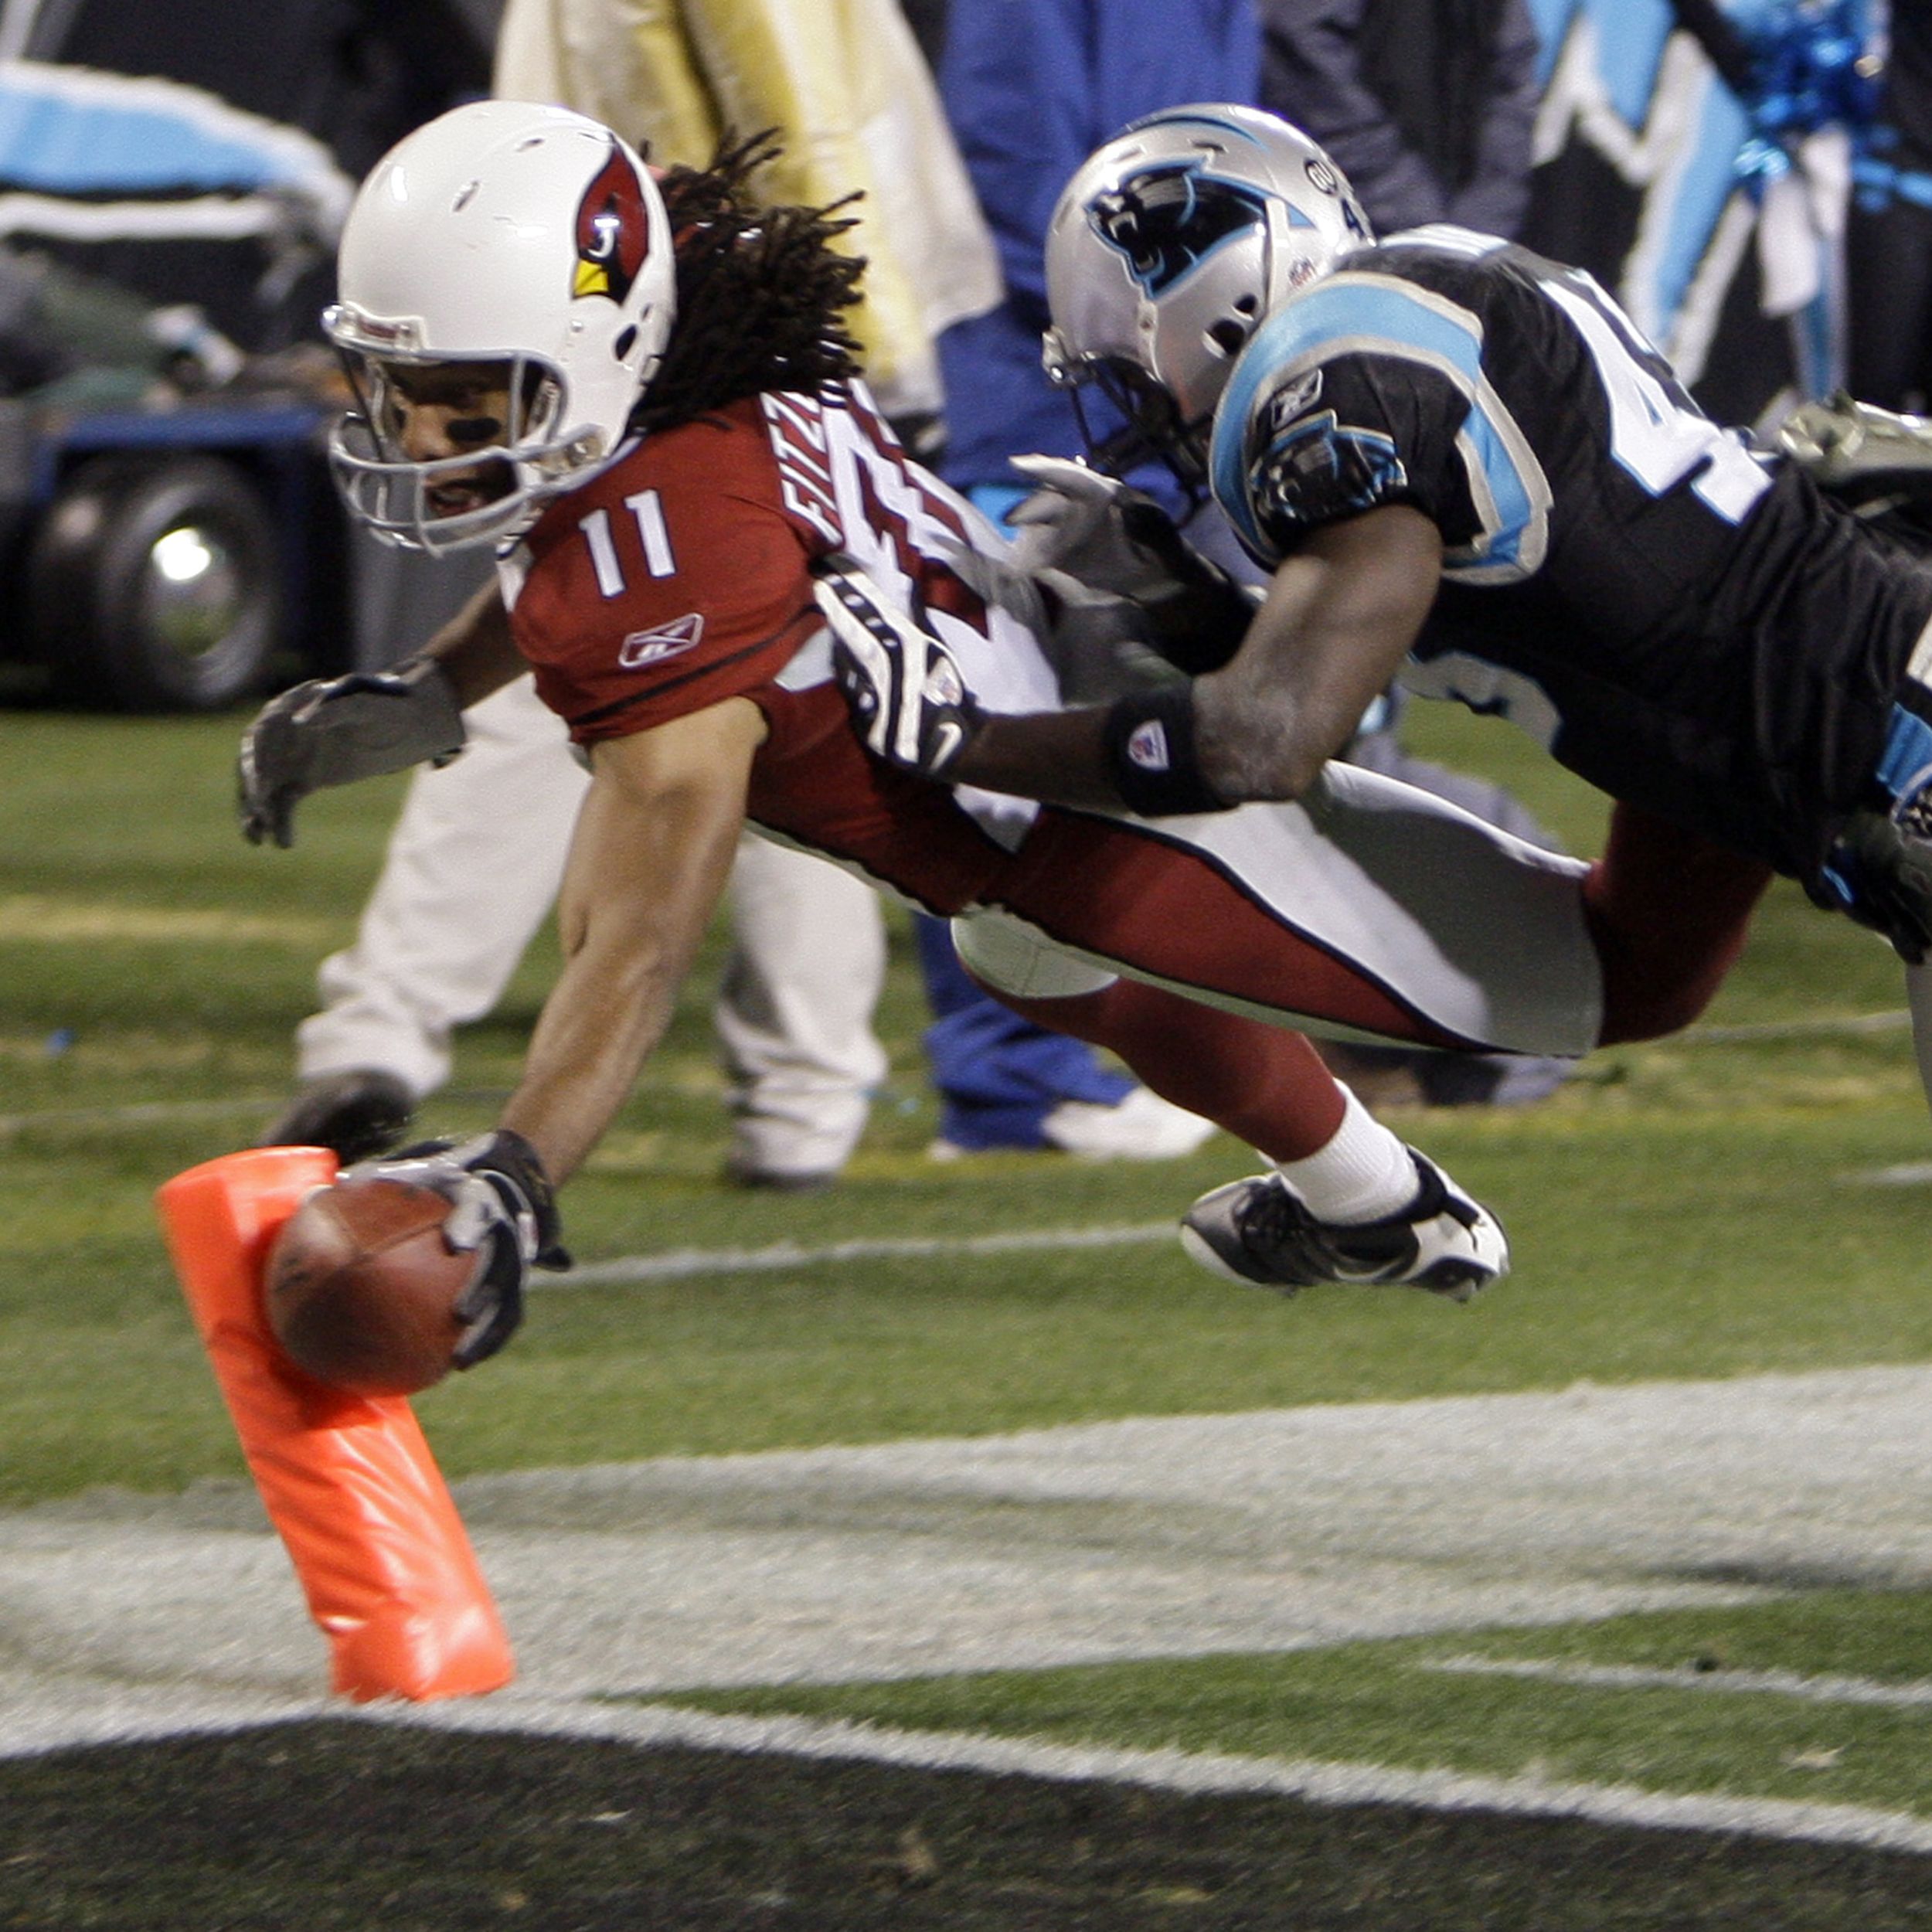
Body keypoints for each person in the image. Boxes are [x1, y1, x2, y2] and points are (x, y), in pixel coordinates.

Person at [235, 100, 1649, 1363]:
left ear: (598, 347)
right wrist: (433, 691)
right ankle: (1378, 1204)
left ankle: (1728, 691)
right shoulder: (683, 305)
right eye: (403, 398)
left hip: (1099, 810)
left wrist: (521, 1166)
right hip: (1037, 698)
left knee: (1606, 980)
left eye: (468, 406)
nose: (424, 446)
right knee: (1030, 964)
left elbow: (639, 932)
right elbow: (555, 540)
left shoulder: (664, 553)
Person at [818, 100, 1932, 1280]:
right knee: (1625, 970)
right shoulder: (1425, 301)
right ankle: (1365, 1197)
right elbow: (1646, 631)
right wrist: (1186, 606)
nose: (1141, 406)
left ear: (1203, 297)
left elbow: (1261, 744)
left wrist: (964, 740)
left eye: (1128, 366)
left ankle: (1360, 1191)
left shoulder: (1329, 382)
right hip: (1862, 728)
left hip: (1904, 748)